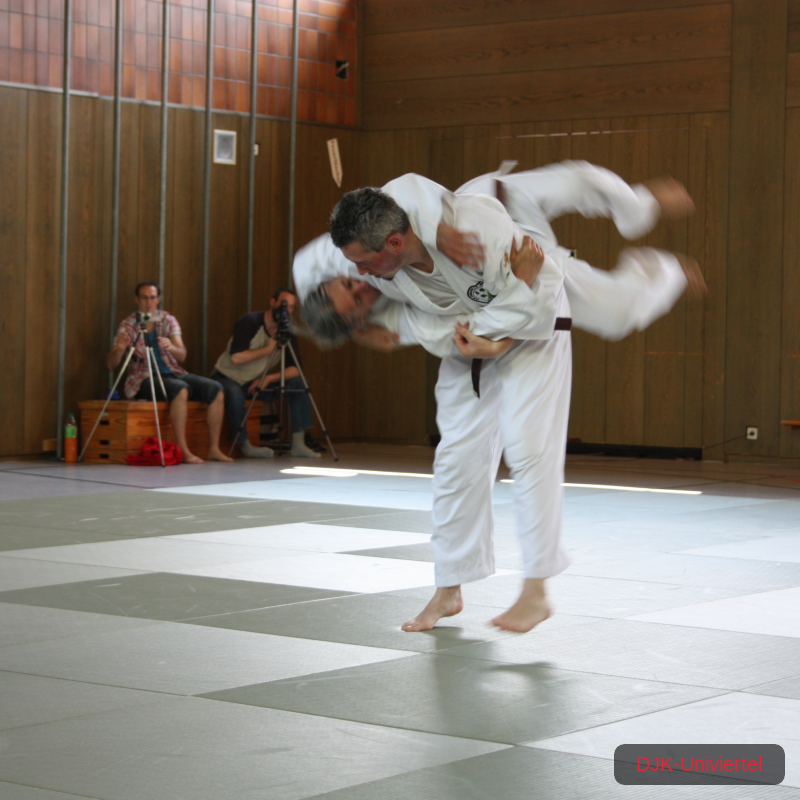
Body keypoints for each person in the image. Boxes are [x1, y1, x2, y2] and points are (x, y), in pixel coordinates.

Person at [294, 161, 698, 634]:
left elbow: (538, 289)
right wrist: (475, 338)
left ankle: (536, 589)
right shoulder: (365, 271)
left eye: (356, 276)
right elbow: (421, 327)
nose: (359, 278)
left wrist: (443, 235)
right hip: (478, 320)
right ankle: (449, 586)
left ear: (395, 241)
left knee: (534, 441)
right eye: (354, 290)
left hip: (525, 276)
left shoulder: (458, 228)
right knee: (455, 459)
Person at [107, 281, 232, 465]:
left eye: (152, 298)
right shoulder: (128, 324)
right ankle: (183, 449)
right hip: (143, 378)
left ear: (158, 299)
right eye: (144, 298)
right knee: (180, 389)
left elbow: (182, 355)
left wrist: (171, 347)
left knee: (216, 388)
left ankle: (214, 448)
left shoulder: (167, 320)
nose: (149, 303)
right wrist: (119, 349)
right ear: (136, 300)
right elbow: (111, 364)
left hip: (172, 372)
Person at [210, 288, 321, 459]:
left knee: (300, 383)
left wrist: (269, 378)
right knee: (234, 393)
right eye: (283, 304)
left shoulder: (287, 332)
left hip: (255, 381)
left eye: (291, 307)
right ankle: (245, 445)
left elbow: (296, 369)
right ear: (272, 302)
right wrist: (268, 349)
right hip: (227, 377)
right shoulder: (250, 321)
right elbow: (236, 358)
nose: (286, 310)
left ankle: (299, 444)